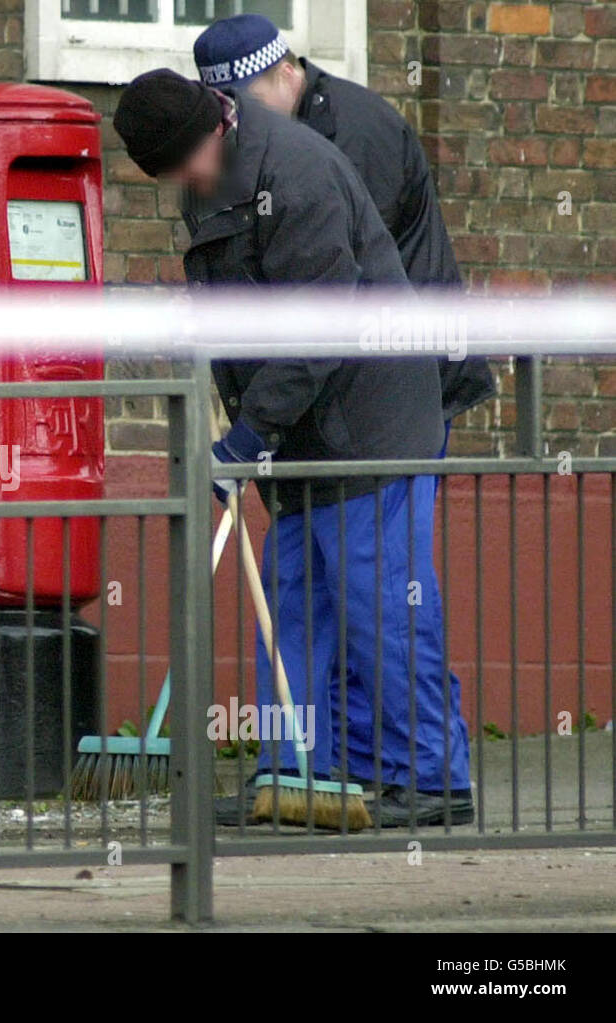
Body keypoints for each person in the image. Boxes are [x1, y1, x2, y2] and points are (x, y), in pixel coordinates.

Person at [113, 69, 472, 827]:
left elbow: (320, 328)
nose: (189, 182)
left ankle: (434, 779)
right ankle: (296, 770)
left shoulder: (298, 172)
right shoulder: (208, 176)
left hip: (368, 422)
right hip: (299, 433)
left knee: (381, 604)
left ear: (218, 123)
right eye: (174, 175)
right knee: (292, 602)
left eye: (190, 163)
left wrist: (249, 435)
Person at [195, 14, 492, 809]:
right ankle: (311, 767)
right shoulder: (257, 154)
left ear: (278, 73)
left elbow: (327, 303)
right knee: (311, 594)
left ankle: (418, 773)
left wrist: (258, 422)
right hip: (309, 411)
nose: (235, 125)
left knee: (382, 593)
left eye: (240, 105)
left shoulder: (342, 141)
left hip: (392, 389)